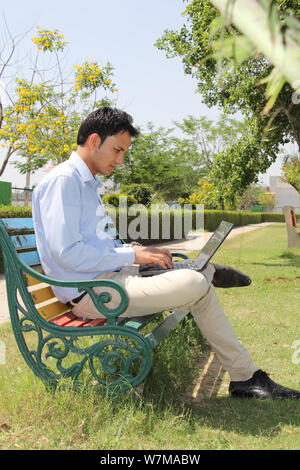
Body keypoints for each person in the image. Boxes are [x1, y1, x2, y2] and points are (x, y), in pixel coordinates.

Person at [32, 107, 300, 400]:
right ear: (95, 140)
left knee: (194, 280)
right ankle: (241, 367)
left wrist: (137, 252)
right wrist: (132, 257)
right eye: (117, 150)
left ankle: (245, 376)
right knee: (196, 284)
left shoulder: (83, 182)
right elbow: (66, 253)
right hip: (93, 295)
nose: (120, 160)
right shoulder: (64, 181)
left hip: (111, 281)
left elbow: (94, 245)